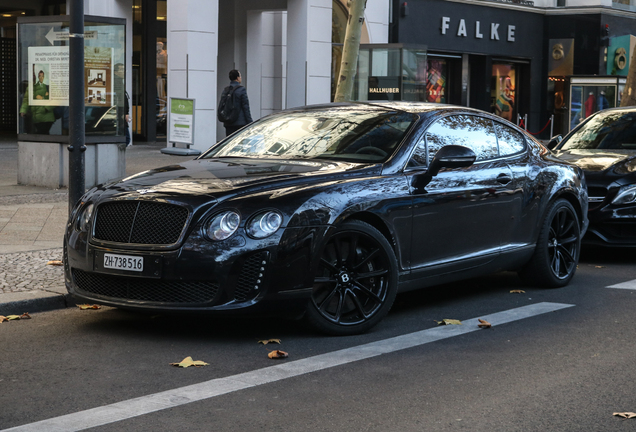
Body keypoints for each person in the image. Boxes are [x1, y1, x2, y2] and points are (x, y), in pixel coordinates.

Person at [222, 70, 253, 136]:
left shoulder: (226, 90)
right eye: (240, 76)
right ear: (237, 78)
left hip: (228, 122)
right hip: (240, 123)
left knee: (229, 142)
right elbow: (245, 107)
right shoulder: (241, 90)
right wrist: (250, 122)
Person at [113, 63, 131, 146]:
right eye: (121, 69)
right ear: (115, 72)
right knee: (126, 138)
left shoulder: (119, 81)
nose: (123, 72)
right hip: (120, 112)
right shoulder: (117, 82)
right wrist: (124, 113)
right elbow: (121, 99)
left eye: (124, 69)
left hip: (120, 112)